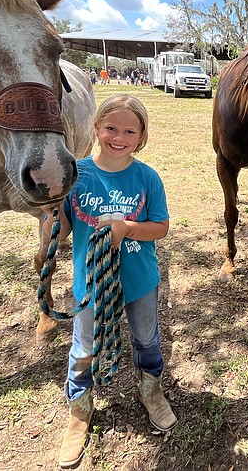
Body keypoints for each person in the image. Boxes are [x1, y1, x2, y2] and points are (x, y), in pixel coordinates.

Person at [42, 94, 175, 469]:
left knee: (146, 337)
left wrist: (128, 229)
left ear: (141, 135)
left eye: (129, 130)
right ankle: (79, 409)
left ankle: (151, 390)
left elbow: (160, 227)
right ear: (97, 128)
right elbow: (64, 227)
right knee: (83, 345)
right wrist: (53, 216)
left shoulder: (147, 178)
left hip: (139, 280)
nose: (119, 136)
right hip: (91, 281)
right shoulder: (77, 173)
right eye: (111, 128)